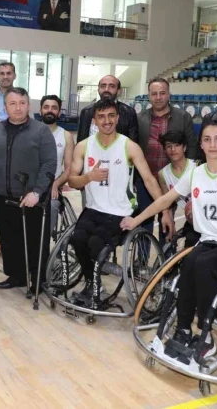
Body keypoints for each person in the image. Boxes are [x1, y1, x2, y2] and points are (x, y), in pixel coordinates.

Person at [121, 121, 217, 359]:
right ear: (200, 144)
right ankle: (183, 330)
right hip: (211, 243)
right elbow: (165, 200)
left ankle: (206, 335)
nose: (213, 144)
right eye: (207, 139)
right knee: (189, 262)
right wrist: (136, 219)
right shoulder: (196, 174)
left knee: (203, 263)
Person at [68, 99, 168, 304]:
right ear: (94, 121)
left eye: (111, 116)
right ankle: (92, 284)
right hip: (93, 209)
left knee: (95, 245)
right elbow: (72, 180)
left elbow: (149, 180)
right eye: (101, 117)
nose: (107, 121)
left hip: (119, 212)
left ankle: (94, 284)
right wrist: (89, 177)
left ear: (117, 118)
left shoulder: (129, 146)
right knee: (77, 240)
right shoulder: (83, 146)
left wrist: (165, 211)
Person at [0, 87, 56, 290]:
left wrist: (37, 192)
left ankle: (38, 280)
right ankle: (16, 276)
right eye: (12, 104)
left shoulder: (41, 131)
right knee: (10, 240)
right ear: (5, 107)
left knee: (35, 241)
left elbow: (49, 164)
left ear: (28, 106)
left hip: (32, 199)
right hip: (4, 196)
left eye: (22, 103)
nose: (18, 108)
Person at [136, 77, 197, 238]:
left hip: (172, 181)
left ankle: (167, 251)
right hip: (146, 180)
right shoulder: (140, 119)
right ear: (149, 96)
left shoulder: (183, 117)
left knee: (167, 219)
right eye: (154, 93)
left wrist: (187, 176)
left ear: (169, 94)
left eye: (162, 93)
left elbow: (191, 147)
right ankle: (142, 253)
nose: (158, 97)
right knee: (145, 221)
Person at [0, 62, 32, 238]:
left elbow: (30, 126)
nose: (5, 76)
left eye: (9, 73)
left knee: (12, 206)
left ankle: (10, 240)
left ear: (14, 75)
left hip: (17, 160)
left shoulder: (23, 96)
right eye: (2, 73)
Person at [157, 131, 199, 248]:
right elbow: (167, 204)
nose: (173, 150)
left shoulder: (197, 166)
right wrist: (170, 223)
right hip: (191, 220)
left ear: (184, 148)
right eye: (169, 146)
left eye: (177, 145)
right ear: (165, 150)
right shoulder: (163, 174)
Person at [40, 95, 74, 235]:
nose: (50, 110)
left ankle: (44, 240)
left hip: (52, 187)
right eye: (46, 107)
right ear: (41, 111)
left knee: (53, 204)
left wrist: (55, 184)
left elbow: (69, 168)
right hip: (30, 186)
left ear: (59, 113)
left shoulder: (66, 136)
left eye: (54, 108)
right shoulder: (31, 132)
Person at [76, 75, 138, 144]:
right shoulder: (86, 112)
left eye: (112, 86)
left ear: (119, 91)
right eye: (103, 86)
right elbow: (80, 141)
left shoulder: (129, 112)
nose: (106, 90)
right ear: (98, 89)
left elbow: (133, 143)